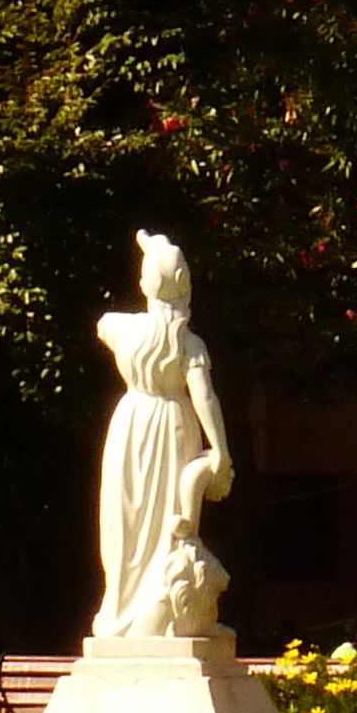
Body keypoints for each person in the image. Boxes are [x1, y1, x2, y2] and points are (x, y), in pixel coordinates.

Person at [92, 230, 233, 639]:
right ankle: (154, 613)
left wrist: (152, 251)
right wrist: (219, 449)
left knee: (129, 523)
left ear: (143, 285)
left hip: (132, 423)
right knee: (168, 520)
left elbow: (104, 324)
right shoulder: (188, 344)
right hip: (174, 425)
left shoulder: (124, 330)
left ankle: (125, 611)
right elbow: (204, 396)